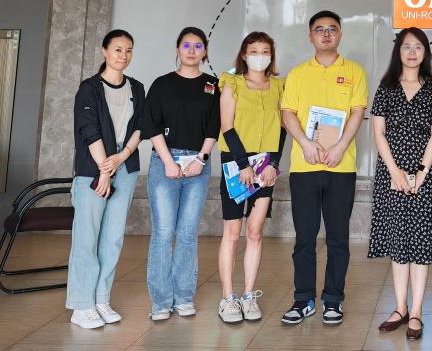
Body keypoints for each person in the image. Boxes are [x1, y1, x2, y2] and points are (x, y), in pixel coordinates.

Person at [279, 10, 368, 326]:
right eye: (320, 29)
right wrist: (305, 143)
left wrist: (341, 147)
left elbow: (358, 112)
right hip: (305, 166)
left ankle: (333, 300)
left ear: (340, 34)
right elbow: (287, 113)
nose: (326, 34)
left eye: (332, 29)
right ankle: (303, 299)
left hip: (340, 166)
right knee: (304, 237)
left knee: (337, 238)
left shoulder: (355, 71)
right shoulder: (297, 74)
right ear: (310, 36)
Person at [369, 27, 432, 341]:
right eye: (407, 46)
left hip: (424, 176)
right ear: (398, 51)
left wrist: (420, 172)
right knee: (398, 243)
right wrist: (395, 172)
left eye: (418, 47)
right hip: (391, 174)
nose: (412, 52)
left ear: (425, 52)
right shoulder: (386, 87)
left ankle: (416, 311)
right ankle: (400, 307)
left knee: (419, 244)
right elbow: (379, 133)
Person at [66, 30, 145, 329]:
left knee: (112, 238)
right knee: (87, 238)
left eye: (128, 50)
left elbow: (141, 127)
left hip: (125, 167)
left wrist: (121, 158)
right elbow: (89, 130)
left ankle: (101, 299)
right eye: (117, 49)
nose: (123, 55)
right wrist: (104, 170)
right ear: (104, 51)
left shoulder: (137, 87)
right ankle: (81, 305)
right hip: (94, 170)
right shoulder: (89, 89)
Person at [143, 26, 220, 321]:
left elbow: (214, 126)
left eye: (198, 45)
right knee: (163, 233)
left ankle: (184, 297)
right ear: (177, 49)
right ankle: (161, 301)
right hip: (165, 161)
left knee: (187, 234)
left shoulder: (212, 85)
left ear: (205, 52)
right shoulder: (162, 84)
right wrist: (168, 162)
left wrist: (201, 158)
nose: (191, 50)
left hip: (198, 164)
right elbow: (151, 124)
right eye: (186, 45)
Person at [216, 31, 286, 324]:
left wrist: (274, 164)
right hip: (236, 164)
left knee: (255, 232)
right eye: (254, 51)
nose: (260, 56)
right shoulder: (231, 83)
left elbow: (282, 128)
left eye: (265, 51)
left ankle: (248, 295)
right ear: (244, 55)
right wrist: (243, 164)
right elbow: (227, 126)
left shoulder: (279, 86)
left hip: (265, 165)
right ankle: (228, 297)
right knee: (232, 233)